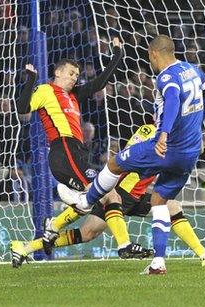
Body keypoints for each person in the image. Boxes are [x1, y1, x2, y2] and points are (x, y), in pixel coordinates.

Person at [57, 35, 205, 274]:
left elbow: (174, 98)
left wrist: (164, 133)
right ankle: (158, 263)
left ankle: (84, 201)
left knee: (114, 163)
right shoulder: (192, 70)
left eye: (149, 57)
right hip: (190, 151)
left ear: (154, 54)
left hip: (166, 147)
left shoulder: (166, 77)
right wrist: (194, 122)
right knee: (159, 201)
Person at [10, 125, 205, 268]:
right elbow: (127, 158)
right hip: (120, 191)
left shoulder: (179, 150)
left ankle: (204, 255)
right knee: (88, 232)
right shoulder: (150, 131)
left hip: (137, 195)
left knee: (172, 206)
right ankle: (30, 243)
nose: (200, 143)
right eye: (200, 137)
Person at [16, 37, 149, 259]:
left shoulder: (74, 95)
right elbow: (22, 108)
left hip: (77, 152)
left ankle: (56, 223)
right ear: (58, 72)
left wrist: (117, 55)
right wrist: (30, 79)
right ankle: (121, 244)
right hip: (64, 149)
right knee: (104, 194)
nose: (74, 78)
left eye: (77, 75)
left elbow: (99, 83)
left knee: (104, 196)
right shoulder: (46, 90)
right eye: (70, 73)